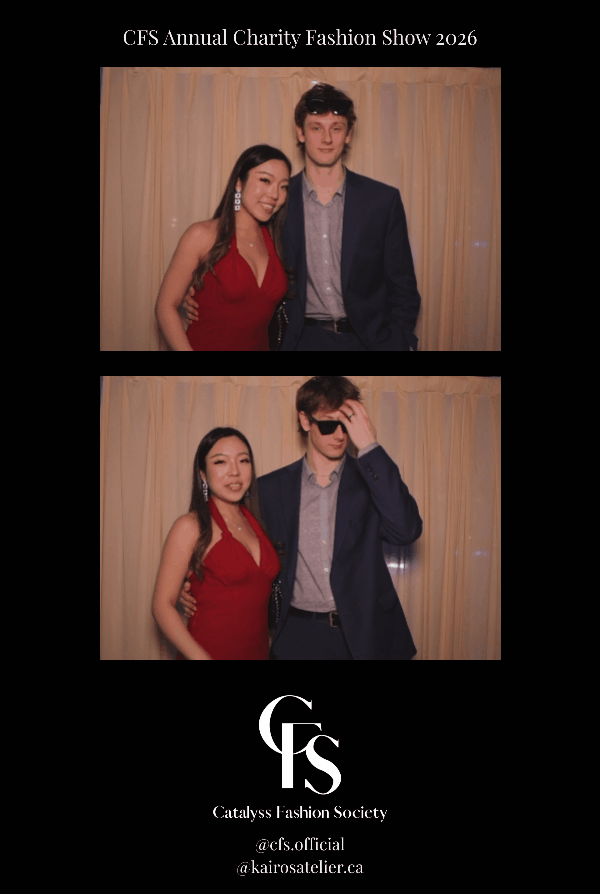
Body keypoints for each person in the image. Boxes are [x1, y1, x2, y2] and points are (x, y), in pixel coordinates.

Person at [180, 377, 422, 659]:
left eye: (346, 425)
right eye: (329, 425)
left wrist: (370, 447)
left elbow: (406, 531)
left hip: (366, 635)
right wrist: (194, 583)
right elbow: (236, 542)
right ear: (305, 420)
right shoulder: (268, 490)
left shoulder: (372, 480)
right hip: (296, 634)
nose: (339, 435)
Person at [182, 83, 420, 352]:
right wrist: (199, 293)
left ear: (349, 134)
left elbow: (403, 286)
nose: (327, 139)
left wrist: (401, 341)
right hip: (299, 340)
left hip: (369, 342)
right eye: (316, 127)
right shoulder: (275, 200)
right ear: (301, 132)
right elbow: (237, 252)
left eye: (337, 128)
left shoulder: (382, 201)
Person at [152, 428, 281, 659]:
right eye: (221, 462)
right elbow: (162, 606)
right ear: (203, 473)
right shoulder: (190, 526)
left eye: (243, 460)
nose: (234, 472)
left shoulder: (259, 522)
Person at [155, 145, 292, 351]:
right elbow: (165, 307)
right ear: (239, 183)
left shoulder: (278, 240)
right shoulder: (203, 235)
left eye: (284, 186)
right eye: (265, 180)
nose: (275, 194)